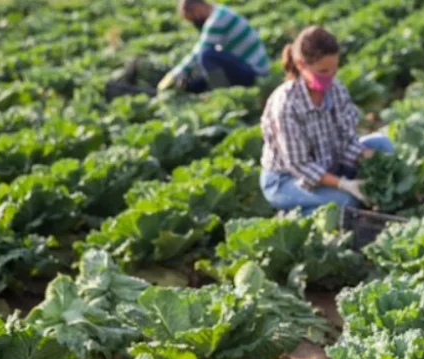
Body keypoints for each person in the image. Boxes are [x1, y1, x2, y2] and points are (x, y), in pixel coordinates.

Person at [259, 25, 393, 215]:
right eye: (322, 71)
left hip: (329, 162)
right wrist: (343, 184)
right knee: (347, 202)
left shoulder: (336, 90)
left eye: (334, 70)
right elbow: (300, 165)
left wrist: (365, 155)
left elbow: (347, 140)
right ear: (300, 64)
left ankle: (325, 198)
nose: (330, 77)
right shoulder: (286, 104)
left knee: (382, 146)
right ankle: (292, 215)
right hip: (287, 180)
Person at [157, 0, 271, 93]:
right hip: (251, 64)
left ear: (197, 8)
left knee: (207, 56)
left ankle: (220, 92)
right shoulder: (220, 11)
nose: (195, 21)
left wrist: (175, 74)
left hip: (253, 71)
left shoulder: (217, 21)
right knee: (203, 71)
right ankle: (206, 88)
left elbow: (199, 52)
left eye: (193, 17)